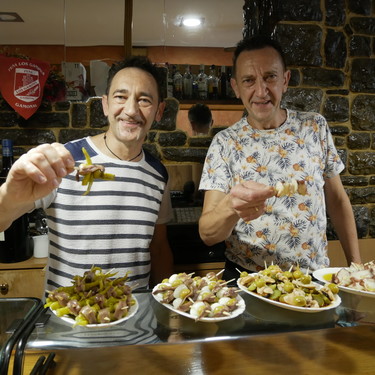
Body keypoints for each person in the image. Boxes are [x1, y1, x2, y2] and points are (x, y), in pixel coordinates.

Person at [0, 56, 174, 292]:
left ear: (159, 111)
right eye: (120, 97)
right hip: (68, 319)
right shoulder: (63, 161)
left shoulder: (157, 174)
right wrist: (10, 194)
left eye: (144, 100)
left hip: (135, 320)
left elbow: (159, 247)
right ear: (105, 104)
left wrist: (169, 313)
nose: (131, 110)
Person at [198, 35, 361, 281]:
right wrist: (233, 205)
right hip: (247, 280)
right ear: (236, 88)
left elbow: (337, 201)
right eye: (249, 80)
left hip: (312, 279)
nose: (261, 91)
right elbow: (208, 233)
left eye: (270, 77)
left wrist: (356, 269)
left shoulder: (314, 126)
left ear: (285, 80)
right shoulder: (224, 144)